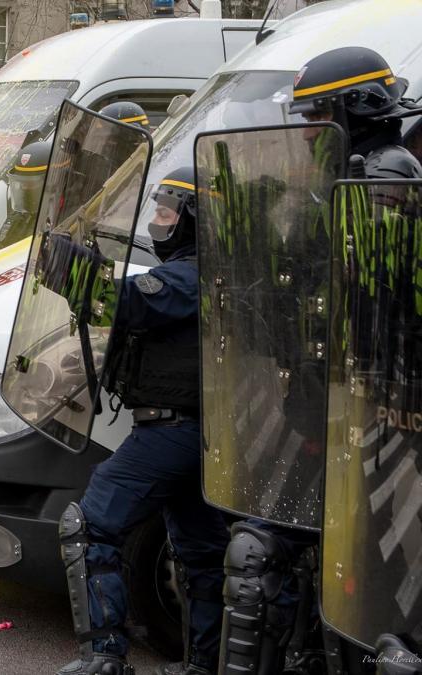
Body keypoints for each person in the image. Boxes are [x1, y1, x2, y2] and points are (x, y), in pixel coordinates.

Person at [211, 47, 422, 675]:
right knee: (267, 560)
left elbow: (379, 310)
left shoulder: (387, 184)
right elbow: (301, 287)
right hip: (319, 413)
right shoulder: (335, 185)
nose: (304, 135)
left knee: (364, 600)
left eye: (314, 119)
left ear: (348, 112)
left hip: (368, 425)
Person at [52, 168, 229, 675]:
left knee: (90, 524)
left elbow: (122, 300)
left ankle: (104, 658)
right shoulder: (213, 271)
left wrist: (68, 266)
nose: (156, 222)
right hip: (200, 435)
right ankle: (204, 664)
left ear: (194, 222)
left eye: (165, 213)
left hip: (172, 433)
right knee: (201, 552)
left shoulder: (191, 276)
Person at [0, 140, 50, 250]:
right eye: (21, 183)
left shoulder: (67, 217)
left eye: (31, 184)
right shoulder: (19, 215)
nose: (24, 188)